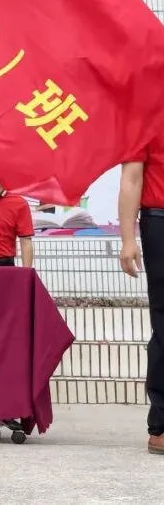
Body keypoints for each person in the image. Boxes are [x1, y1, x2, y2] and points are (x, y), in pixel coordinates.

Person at [118, 132, 164, 455]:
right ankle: (160, 426)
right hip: (159, 219)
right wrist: (128, 239)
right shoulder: (146, 117)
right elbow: (132, 178)